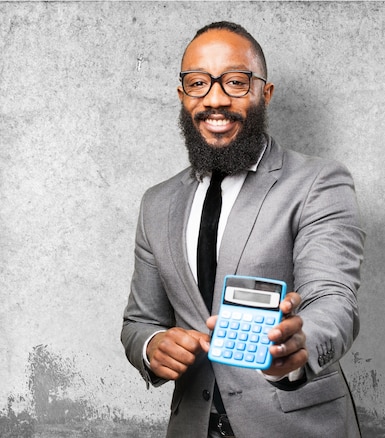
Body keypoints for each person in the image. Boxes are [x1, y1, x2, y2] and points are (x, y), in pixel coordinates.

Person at [121, 21, 365, 438]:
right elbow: (139, 321)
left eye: (235, 82)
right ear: (183, 96)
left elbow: (334, 299)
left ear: (264, 93)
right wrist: (151, 346)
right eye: (198, 83)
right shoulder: (156, 202)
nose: (215, 99)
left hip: (296, 425)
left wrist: (299, 345)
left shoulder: (318, 183)